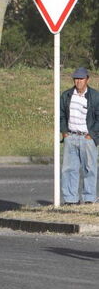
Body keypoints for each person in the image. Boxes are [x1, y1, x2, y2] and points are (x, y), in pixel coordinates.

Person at [60, 67, 99, 204]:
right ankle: (71, 199)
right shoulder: (67, 95)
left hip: (87, 138)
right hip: (71, 136)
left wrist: (92, 134)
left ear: (87, 79)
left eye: (81, 79)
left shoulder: (95, 96)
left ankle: (89, 198)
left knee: (90, 169)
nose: (78, 81)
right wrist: (64, 132)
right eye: (76, 79)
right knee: (69, 169)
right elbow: (61, 114)